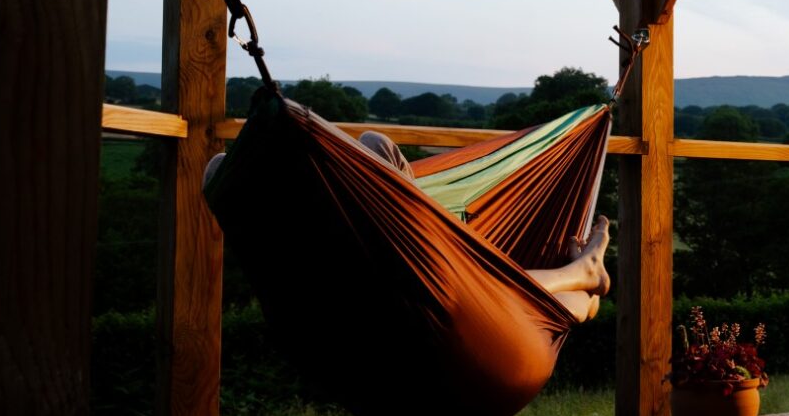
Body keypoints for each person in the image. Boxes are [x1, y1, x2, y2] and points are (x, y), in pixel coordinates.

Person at [203, 130, 612, 322]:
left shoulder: (293, 273)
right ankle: (582, 275)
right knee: (375, 146)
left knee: (218, 172)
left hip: (399, 287)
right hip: (426, 288)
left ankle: (585, 279)